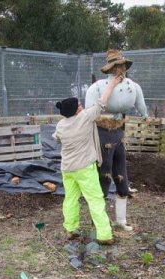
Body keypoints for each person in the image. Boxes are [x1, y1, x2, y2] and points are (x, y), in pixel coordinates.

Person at [53, 75, 123, 245]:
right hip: (84, 168)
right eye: (79, 105)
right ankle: (105, 236)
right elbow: (102, 102)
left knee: (70, 198)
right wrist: (113, 83)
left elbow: (56, 138)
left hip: (67, 169)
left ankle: (70, 229)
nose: (81, 106)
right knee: (95, 200)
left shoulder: (61, 125)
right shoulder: (85, 117)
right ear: (76, 111)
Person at [85, 49, 148, 232]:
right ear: (111, 68)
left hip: (119, 133)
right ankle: (98, 221)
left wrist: (145, 115)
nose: (120, 69)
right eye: (117, 66)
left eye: (122, 65)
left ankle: (121, 220)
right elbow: (90, 111)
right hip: (102, 132)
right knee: (103, 176)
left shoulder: (133, 86)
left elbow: (141, 106)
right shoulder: (97, 87)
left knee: (121, 175)